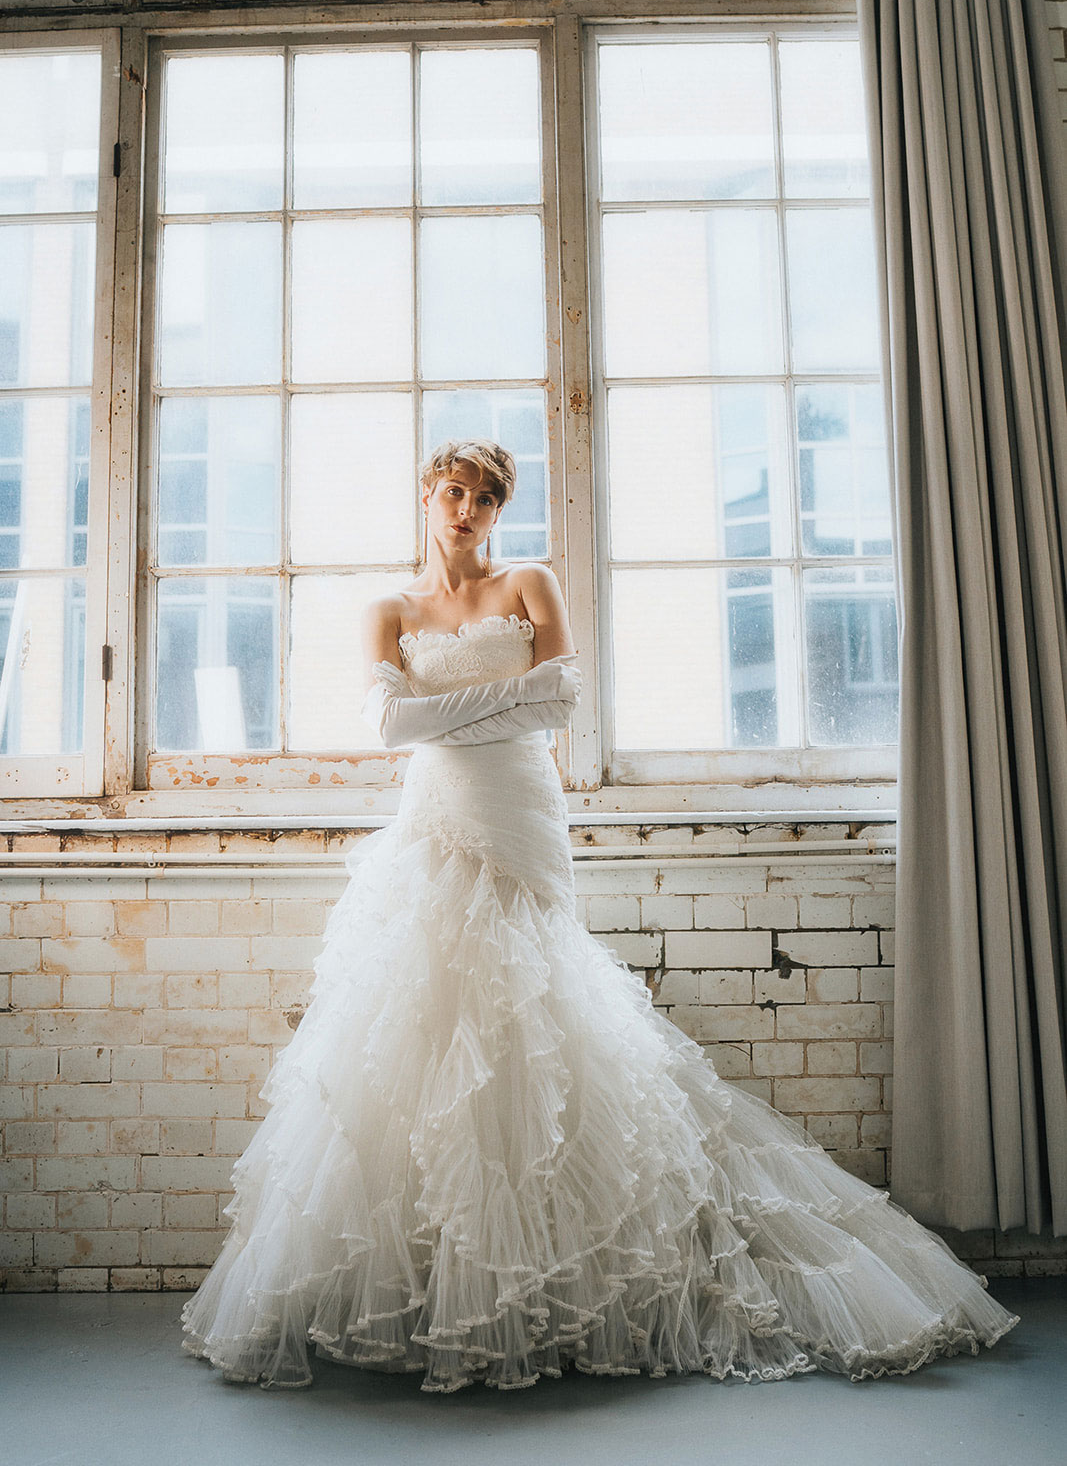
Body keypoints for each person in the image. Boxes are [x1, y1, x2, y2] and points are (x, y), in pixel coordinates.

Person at [181, 437, 1018, 1394]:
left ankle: (562, 1269)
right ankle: (439, 1284)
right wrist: (507, 697)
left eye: (485, 499)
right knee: (424, 1019)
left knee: (536, 1012)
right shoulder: (390, 607)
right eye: (453, 492)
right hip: (439, 821)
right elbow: (391, 730)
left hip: (520, 817)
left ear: (500, 510)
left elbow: (562, 698)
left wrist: (451, 703)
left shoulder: (530, 581)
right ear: (426, 495)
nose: (466, 510)